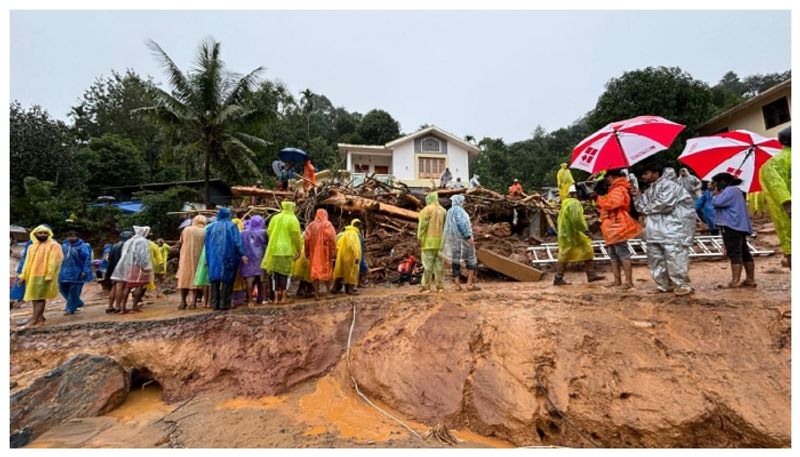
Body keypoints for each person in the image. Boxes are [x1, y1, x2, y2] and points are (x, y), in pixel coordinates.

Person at [632, 166, 696, 296]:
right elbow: (641, 207)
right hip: (655, 231)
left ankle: (682, 285)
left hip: (673, 230)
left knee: (675, 258)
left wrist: (644, 207)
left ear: (656, 173)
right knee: (656, 259)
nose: (643, 177)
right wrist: (637, 196)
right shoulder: (651, 190)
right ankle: (663, 285)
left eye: (646, 172)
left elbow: (663, 205)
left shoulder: (670, 186)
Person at [594, 169, 642, 289]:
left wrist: (598, 197)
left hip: (617, 226)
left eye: (608, 177)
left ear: (614, 176)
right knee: (614, 255)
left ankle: (628, 282)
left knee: (623, 254)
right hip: (611, 226)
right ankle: (617, 281)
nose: (607, 179)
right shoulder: (614, 189)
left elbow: (611, 203)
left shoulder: (619, 189)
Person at [711, 172, 756, 288]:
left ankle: (735, 282)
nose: (712, 185)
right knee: (744, 251)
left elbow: (717, 202)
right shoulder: (735, 190)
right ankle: (750, 279)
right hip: (739, 225)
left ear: (721, 183)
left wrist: (715, 194)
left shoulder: (730, 191)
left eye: (714, 183)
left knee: (734, 252)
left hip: (731, 225)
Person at [552, 186, 604, 285]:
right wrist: (585, 230)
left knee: (586, 250)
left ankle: (591, 275)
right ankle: (558, 278)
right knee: (565, 255)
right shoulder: (575, 203)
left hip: (567, 233)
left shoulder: (567, 203)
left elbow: (573, 217)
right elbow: (576, 219)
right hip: (572, 234)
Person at [17, 225, 64, 326]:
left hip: (44, 276)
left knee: (40, 298)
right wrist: (23, 275)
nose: (43, 235)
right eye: (40, 233)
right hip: (32, 276)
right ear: (35, 234)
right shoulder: (31, 247)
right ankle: (39, 318)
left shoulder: (54, 245)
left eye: (45, 233)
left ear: (49, 234)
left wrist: (49, 275)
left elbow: (55, 261)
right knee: (34, 297)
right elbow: (27, 262)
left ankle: (35, 319)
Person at [759, 125, 791, 268]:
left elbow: (776, 185)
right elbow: (777, 186)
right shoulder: (778, 162)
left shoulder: (773, 163)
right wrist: (788, 204)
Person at [204, 208, 247, 311]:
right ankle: (225, 304)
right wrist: (243, 254)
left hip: (214, 257)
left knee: (215, 280)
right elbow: (237, 241)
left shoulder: (211, 227)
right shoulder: (232, 226)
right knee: (227, 280)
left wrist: (207, 258)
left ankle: (215, 304)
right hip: (228, 256)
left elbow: (207, 245)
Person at [263, 201, 302, 305]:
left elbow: (269, 231)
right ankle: (284, 297)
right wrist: (298, 249)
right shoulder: (293, 219)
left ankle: (275, 299)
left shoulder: (275, 218)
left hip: (274, 249)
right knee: (286, 274)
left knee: (275, 275)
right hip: (286, 250)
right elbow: (296, 236)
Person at [441, 194, 480, 291]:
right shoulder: (460, 211)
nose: (464, 202)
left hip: (453, 240)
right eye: (463, 201)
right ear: (459, 201)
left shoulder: (449, 211)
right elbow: (461, 224)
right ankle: (469, 284)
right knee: (471, 259)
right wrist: (468, 237)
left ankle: (457, 285)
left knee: (456, 261)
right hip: (463, 240)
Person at [111, 226, 153, 313]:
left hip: (129, 266)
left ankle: (123, 308)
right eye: (149, 232)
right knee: (139, 286)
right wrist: (145, 266)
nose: (150, 234)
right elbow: (143, 255)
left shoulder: (129, 240)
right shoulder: (143, 241)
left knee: (128, 287)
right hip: (139, 266)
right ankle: (134, 306)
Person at [58, 231, 92, 315]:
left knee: (74, 291)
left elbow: (87, 259)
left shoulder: (83, 247)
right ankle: (78, 302)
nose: (71, 238)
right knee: (62, 289)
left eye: (73, 236)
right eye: (69, 236)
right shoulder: (63, 246)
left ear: (77, 237)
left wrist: (85, 271)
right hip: (64, 272)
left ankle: (70, 309)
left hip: (78, 272)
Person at [305, 209, 336, 300]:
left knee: (314, 273)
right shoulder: (327, 224)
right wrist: (333, 251)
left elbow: (306, 239)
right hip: (325, 253)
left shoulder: (311, 225)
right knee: (327, 272)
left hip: (313, 253)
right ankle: (328, 293)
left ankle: (316, 294)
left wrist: (306, 252)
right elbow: (332, 239)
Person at [417, 192, 446, 292]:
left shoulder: (426, 210)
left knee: (427, 266)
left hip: (428, 243)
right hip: (440, 243)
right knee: (439, 267)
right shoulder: (443, 210)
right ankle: (440, 287)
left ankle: (426, 287)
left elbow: (423, 225)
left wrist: (419, 237)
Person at [176, 215, 206, 309]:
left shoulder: (186, 229)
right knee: (196, 279)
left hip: (185, 258)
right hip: (199, 258)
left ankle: (183, 302)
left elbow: (181, 242)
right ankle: (193, 303)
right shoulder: (205, 231)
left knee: (183, 278)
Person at [240, 215, 267, 306]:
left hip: (247, 258)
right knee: (262, 279)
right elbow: (266, 243)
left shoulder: (243, 233)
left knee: (249, 280)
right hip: (260, 257)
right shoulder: (262, 232)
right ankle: (262, 299)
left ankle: (250, 301)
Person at [332, 220, 362, 295]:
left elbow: (337, 244)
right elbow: (353, 246)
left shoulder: (346, 233)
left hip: (342, 256)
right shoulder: (353, 234)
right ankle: (349, 290)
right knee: (351, 273)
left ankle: (335, 288)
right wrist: (356, 257)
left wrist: (337, 254)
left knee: (341, 273)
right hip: (350, 257)